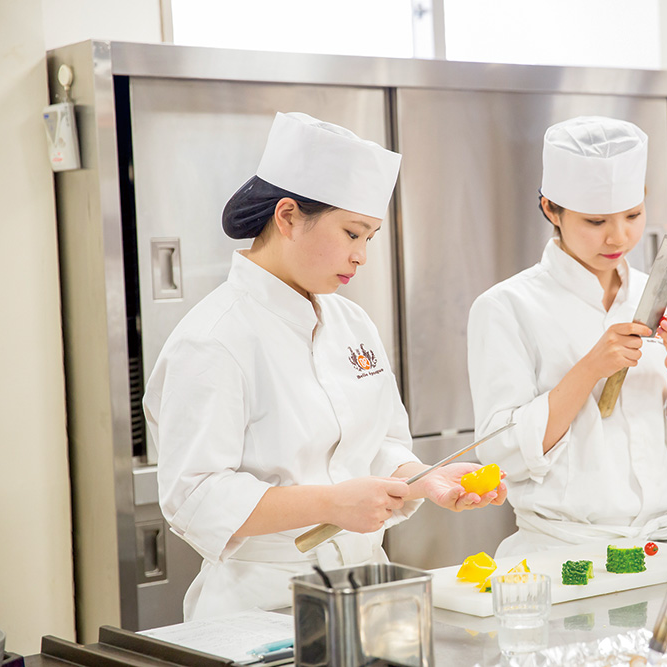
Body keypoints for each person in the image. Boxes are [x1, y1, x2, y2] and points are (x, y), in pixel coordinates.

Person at [144, 112, 506, 620]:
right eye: (352, 234)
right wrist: (330, 504)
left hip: (367, 598)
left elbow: (379, 443)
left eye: (369, 239)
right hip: (260, 609)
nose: (361, 257)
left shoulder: (351, 321)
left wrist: (426, 479)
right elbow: (195, 495)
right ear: (288, 216)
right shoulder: (213, 338)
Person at [467, 116, 667, 558]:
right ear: (551, 209)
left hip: (662, 547)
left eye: (633, 216)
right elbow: (501, 452)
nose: (619, 236)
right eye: (596, 220)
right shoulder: (506, 307)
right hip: (563, 553)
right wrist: (589, 370)